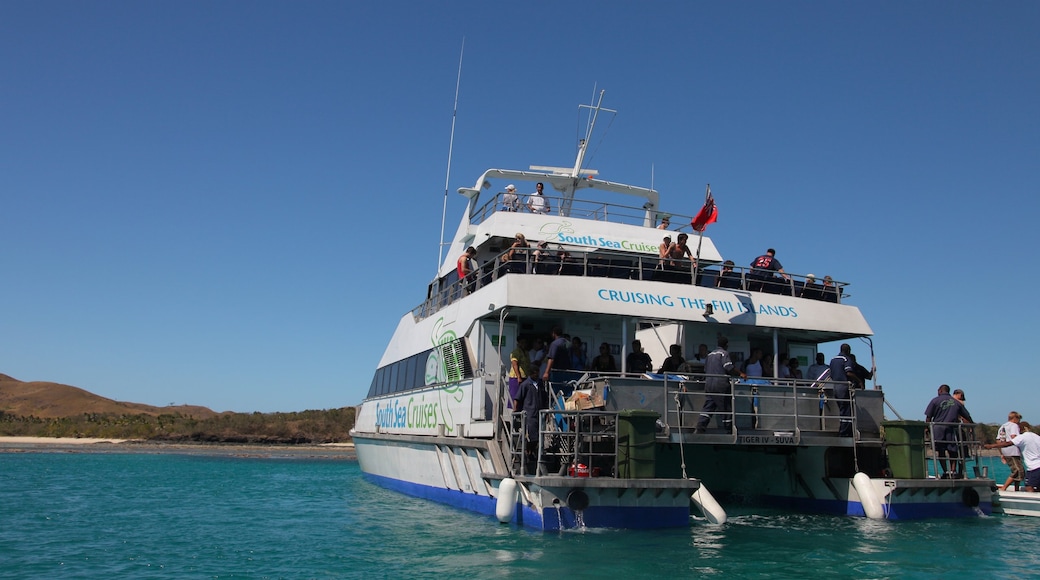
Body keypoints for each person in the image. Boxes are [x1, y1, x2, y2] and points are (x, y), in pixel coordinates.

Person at [696, 336, 746, 433]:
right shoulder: (724, 354)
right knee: (726, 407)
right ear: (726, 345)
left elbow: (705, 369)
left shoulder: (709, 355)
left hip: (709, 384)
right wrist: (740, 373)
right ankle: (729, 429)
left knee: (709, 406)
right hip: (720, 384)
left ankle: (700, 427)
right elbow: (728, 367)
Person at [924, 384, 973, 478]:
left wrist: (927, 428)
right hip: (951, 429)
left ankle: (945, 471)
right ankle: (953, 471)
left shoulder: (935, 400)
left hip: (938, 428)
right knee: (952, 451)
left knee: (940, 451)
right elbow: (967, 415)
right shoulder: (956, 402)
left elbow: (928, 417)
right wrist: (971, 425)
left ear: (940, 391)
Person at [513, 363, 549, 475]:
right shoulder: (525, 385)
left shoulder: (540, 384)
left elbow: (545, 398)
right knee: (532, 436)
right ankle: (528, 452)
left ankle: (530, 452)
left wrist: (546, 410)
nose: (537, 374)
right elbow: (518, 398)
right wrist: (515, 410)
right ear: (531, 373)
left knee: (539, 436)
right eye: (535, 372)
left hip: (539, 413)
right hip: (529, 413)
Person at [985, 421, 1040, 492]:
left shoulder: (1022, 437)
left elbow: (1007, 444)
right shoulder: (1037, 437)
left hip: (1034, 468)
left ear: (1020, 429)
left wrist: (991, 446)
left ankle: (1032, 502)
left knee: (1029, 487)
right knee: (1038, 487)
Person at [830, 344, 862, 437]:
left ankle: (842, 430)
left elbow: (831, 374)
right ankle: (845, 432)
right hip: (843, 386)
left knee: (842, 409)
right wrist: (859, 381)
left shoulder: (833, 359)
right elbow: (849, 372)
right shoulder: (846, 359)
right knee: (846, 410)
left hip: (835, 386)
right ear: (848, 350)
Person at [996, 412, 1025, 491]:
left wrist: (1001, 453)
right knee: (1018, 470)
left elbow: (998, 440)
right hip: (1013, 451)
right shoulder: (1014, 426)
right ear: (1015, 419)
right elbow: (1014, 436)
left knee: (1017, 470)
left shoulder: (1003, 426)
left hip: (1005, 450)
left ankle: (1016, 489)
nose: (1019, 422)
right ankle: (1004, 487)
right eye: (1018, 420)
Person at [508, 336, 531, 408]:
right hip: (516, 377)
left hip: (525, 377)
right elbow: (515, 364)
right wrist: (518, 377)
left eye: (525, 343)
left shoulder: (527, 353)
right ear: (518, 343)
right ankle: (514, 411)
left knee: (524, 395)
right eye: (522, 343)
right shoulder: (515, 352)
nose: (524, 344)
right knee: (515, 395)